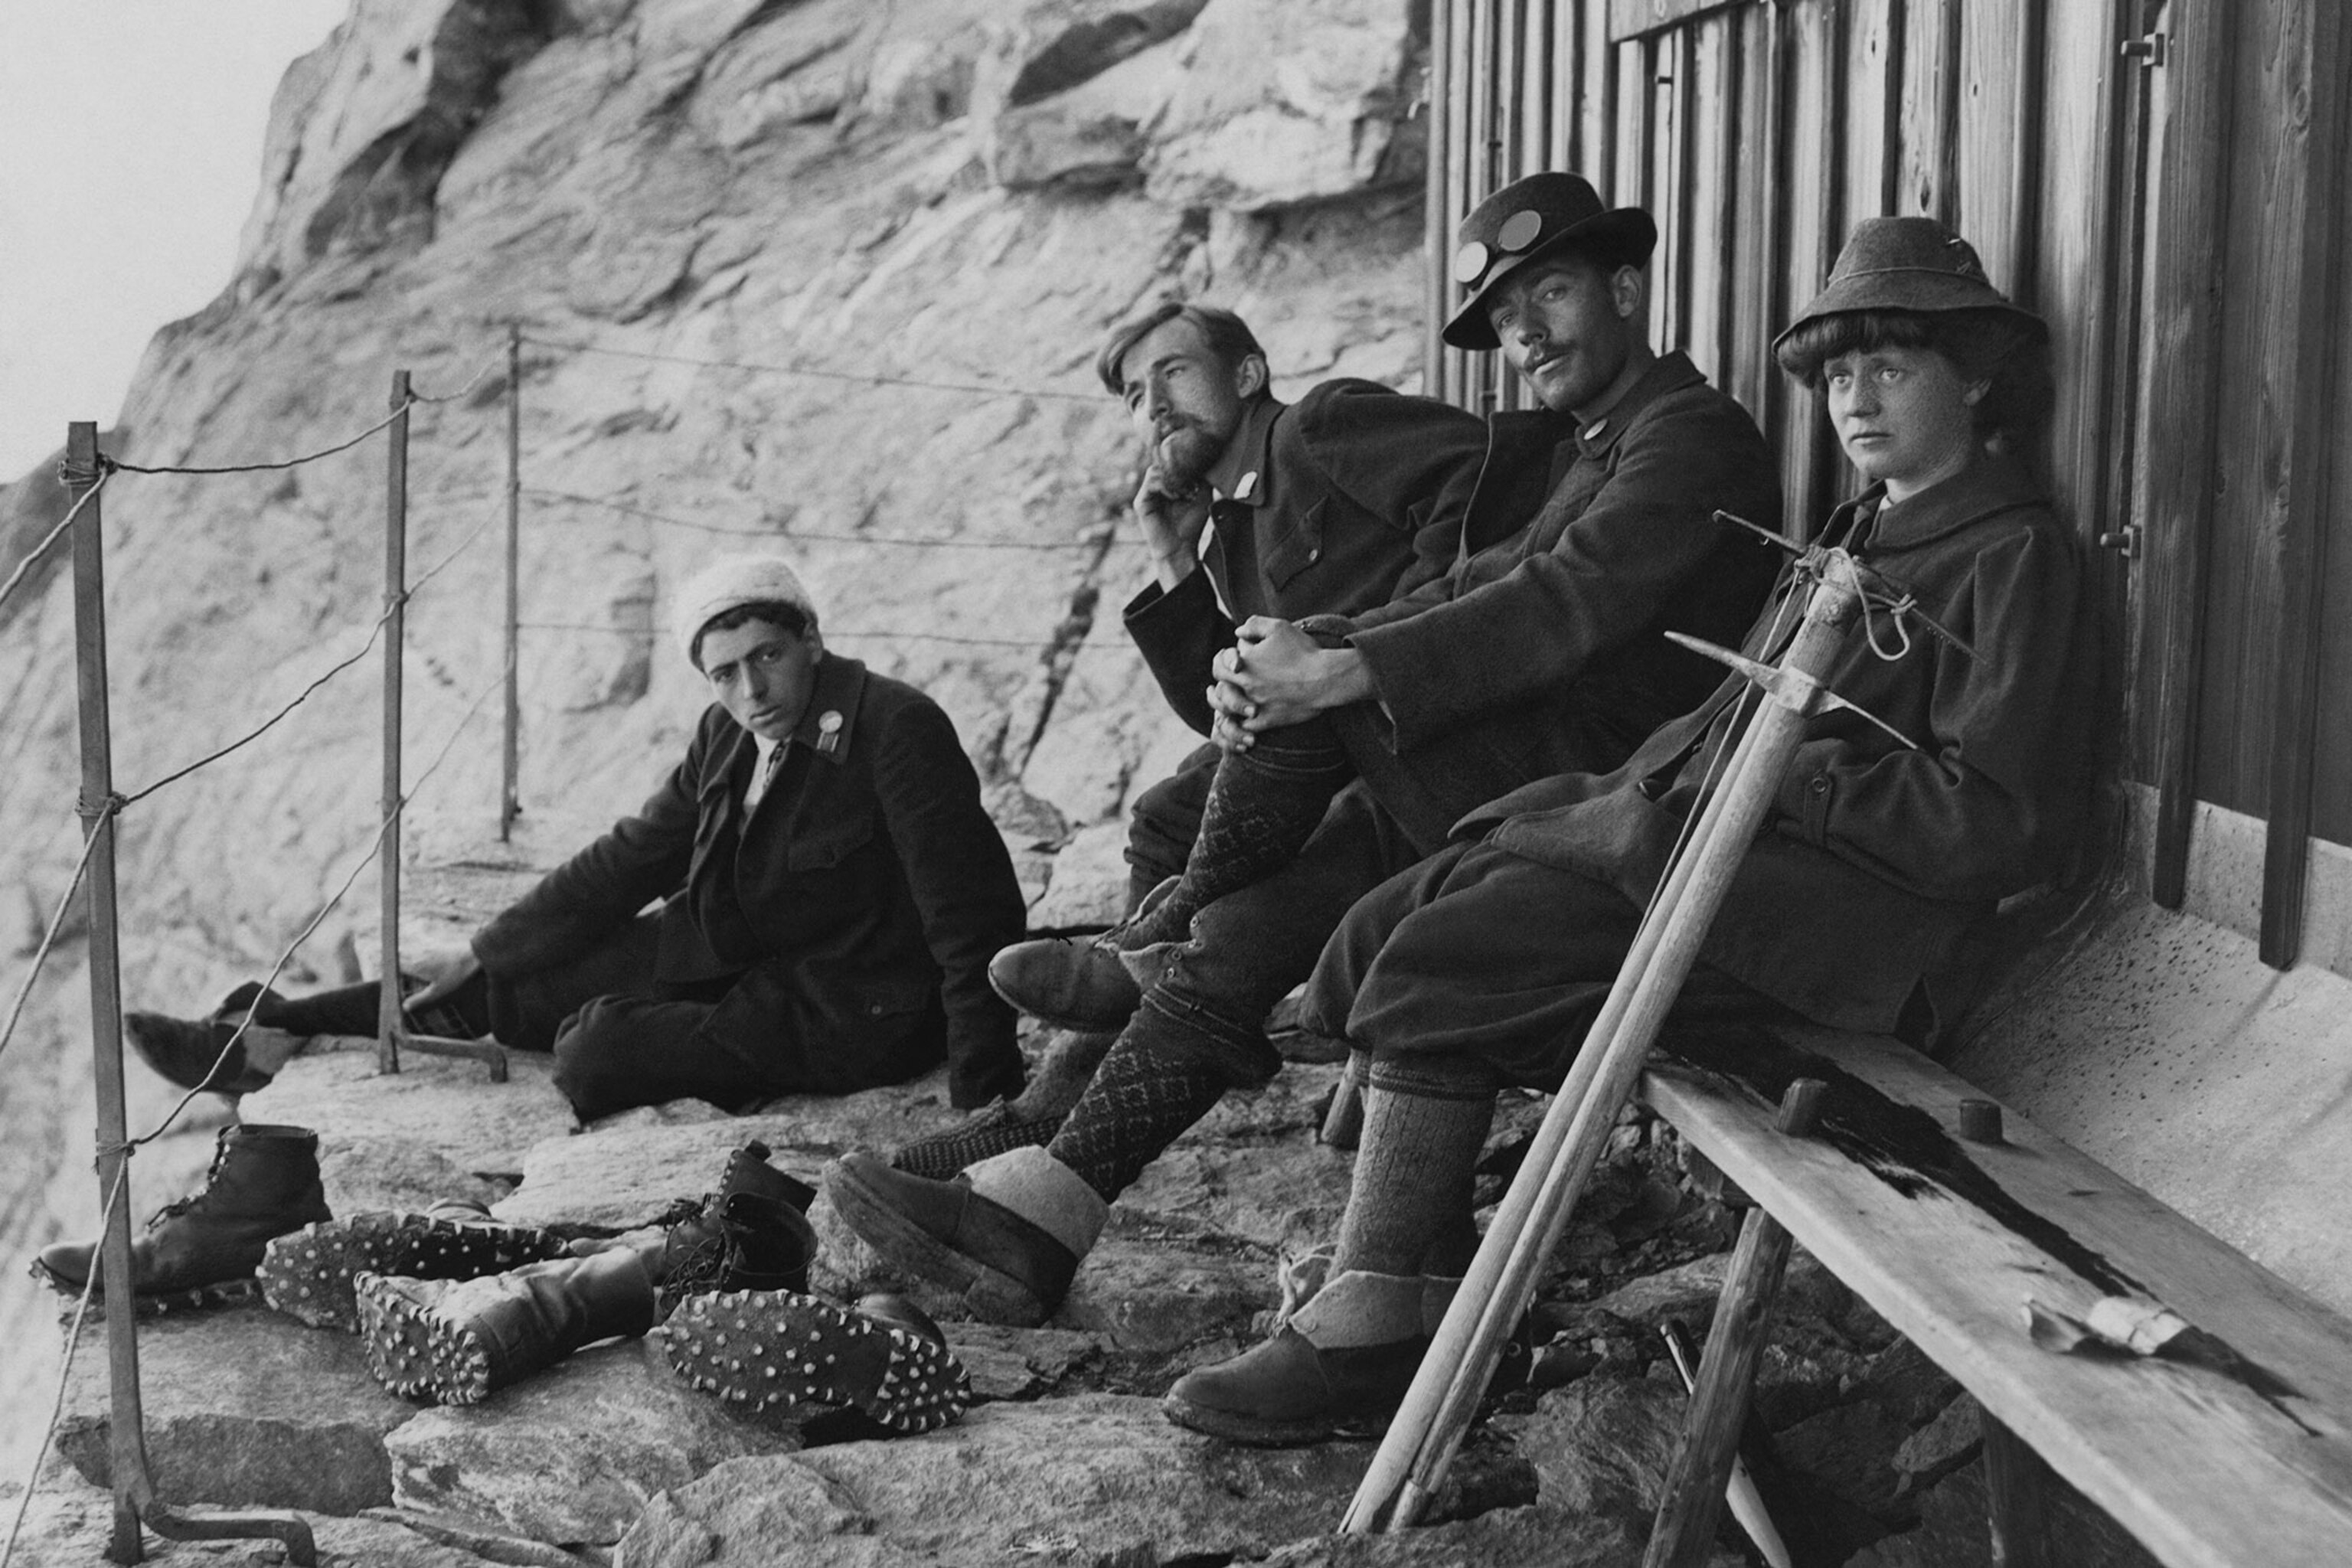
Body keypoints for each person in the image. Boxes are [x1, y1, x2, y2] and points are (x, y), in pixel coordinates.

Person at [1159, 215, 2092, 1442]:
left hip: (1856, 927)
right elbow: (1712, 724)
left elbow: (1997, 826)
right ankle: (1406, 1271)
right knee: (1426, 897)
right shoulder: (1861, 529)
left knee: (1466, 952)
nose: (1857, 402)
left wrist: (1787, 774)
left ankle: (1373, 1332)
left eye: (1895, 368)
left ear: (1973, 374)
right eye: (1840, 375)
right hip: (1730, 852)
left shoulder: (2011, 551)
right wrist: (1577, 803)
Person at [828, 171, 1787, 1326]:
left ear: (1627, 287)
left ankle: (1155, 953)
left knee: (1295, 748)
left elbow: (1563, 598)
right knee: (1260, 907)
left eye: (1555, 294)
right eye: (1506, 318)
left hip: (1612, 786)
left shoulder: (1689, 438)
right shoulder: (1603, 440)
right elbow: (1491, 577)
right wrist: (1298, 648)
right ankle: (1053, 1200)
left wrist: (1343, 667)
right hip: (1520, 770)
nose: (1526, 334)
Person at [888, 302, 1492, 1178]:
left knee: (1219, 856)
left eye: (1173, 372)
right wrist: (1173, 558)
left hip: (1425, 731)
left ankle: (1111, 1039)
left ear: (1247, 374)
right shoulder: (1231, 524)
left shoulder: (1321, 426)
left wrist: (1369, 642)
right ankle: (1070, 1085)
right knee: (1170, 812)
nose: (1154, 406)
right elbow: (1223, 711)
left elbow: (1477, 484)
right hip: (1327, 752)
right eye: (1135, 395)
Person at [125, 553, 1028, 1122]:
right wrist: (486, 950)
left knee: (592, 1055)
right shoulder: (729, 730)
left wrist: (984, 1097)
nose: (751, 688)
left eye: (768, 656)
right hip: (732, 950)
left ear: (812, 641)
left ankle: (612, 1025)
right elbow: (637, 853)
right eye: (724, 673)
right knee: (510, 980)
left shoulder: (894, 727)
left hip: (853, 1006)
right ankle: (270, 1029)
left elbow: (974, 917)